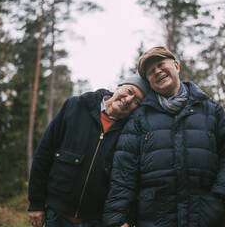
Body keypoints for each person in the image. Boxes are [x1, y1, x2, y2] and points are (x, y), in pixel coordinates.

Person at [103, 47, 225, 227]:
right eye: (151, 72)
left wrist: (222, 192)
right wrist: (117, 220)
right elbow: (123, 172)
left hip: (205, 217)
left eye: (161, 65)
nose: (158, 72)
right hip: (153, 219)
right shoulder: (138, 119)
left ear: (176, 66)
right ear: (149, 81)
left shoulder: (210, 109)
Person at [28, 75, 149, 227]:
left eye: (137, 101)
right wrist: (36, 203)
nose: (129, 100)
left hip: (96, 220)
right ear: (118, 87)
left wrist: (129, 219)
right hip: (56, 215)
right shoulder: (75, 106)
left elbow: (133, 179)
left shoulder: (131, 131)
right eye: (129, 91)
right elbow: (44, 154)